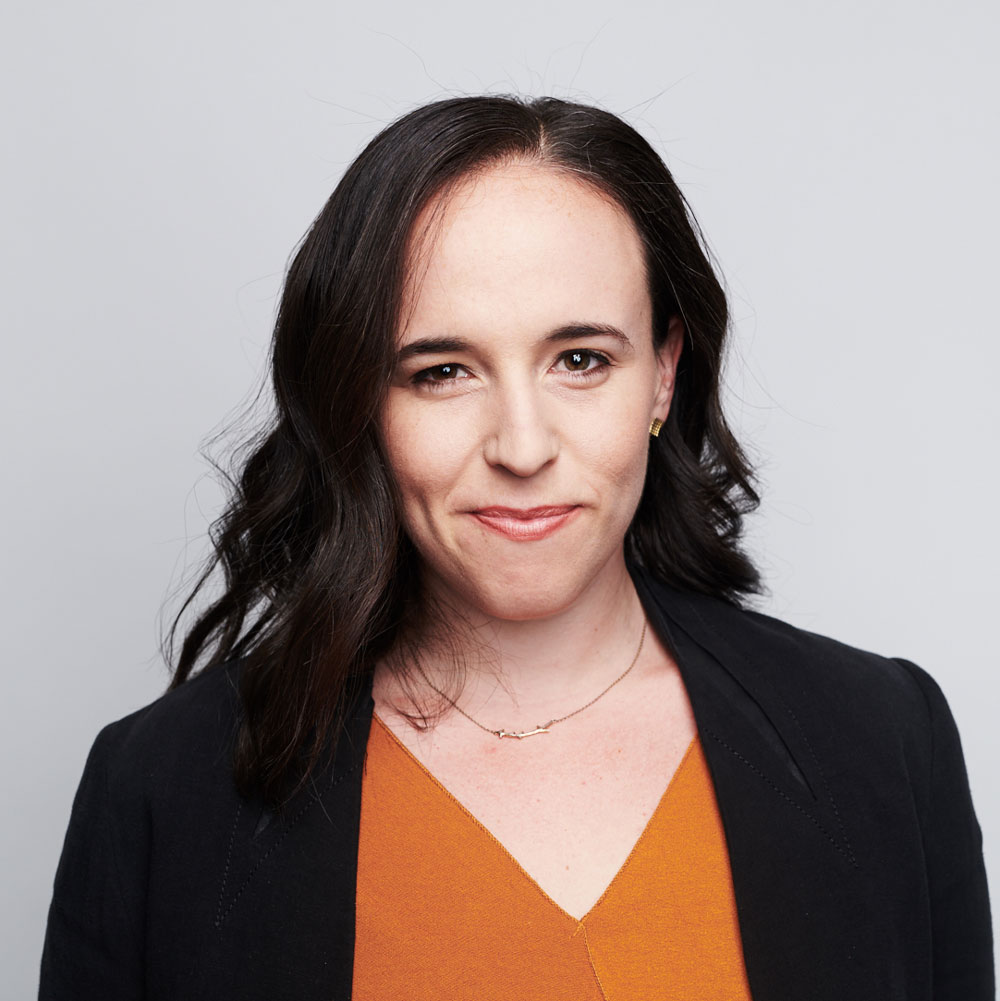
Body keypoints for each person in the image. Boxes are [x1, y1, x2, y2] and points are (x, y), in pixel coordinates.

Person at [39, 94, 992, 1001]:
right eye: (442, 371)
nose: (523, 447)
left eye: (582, 360)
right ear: (359, 401)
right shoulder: (164, 792)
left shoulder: (880, 740)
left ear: (662, 375)